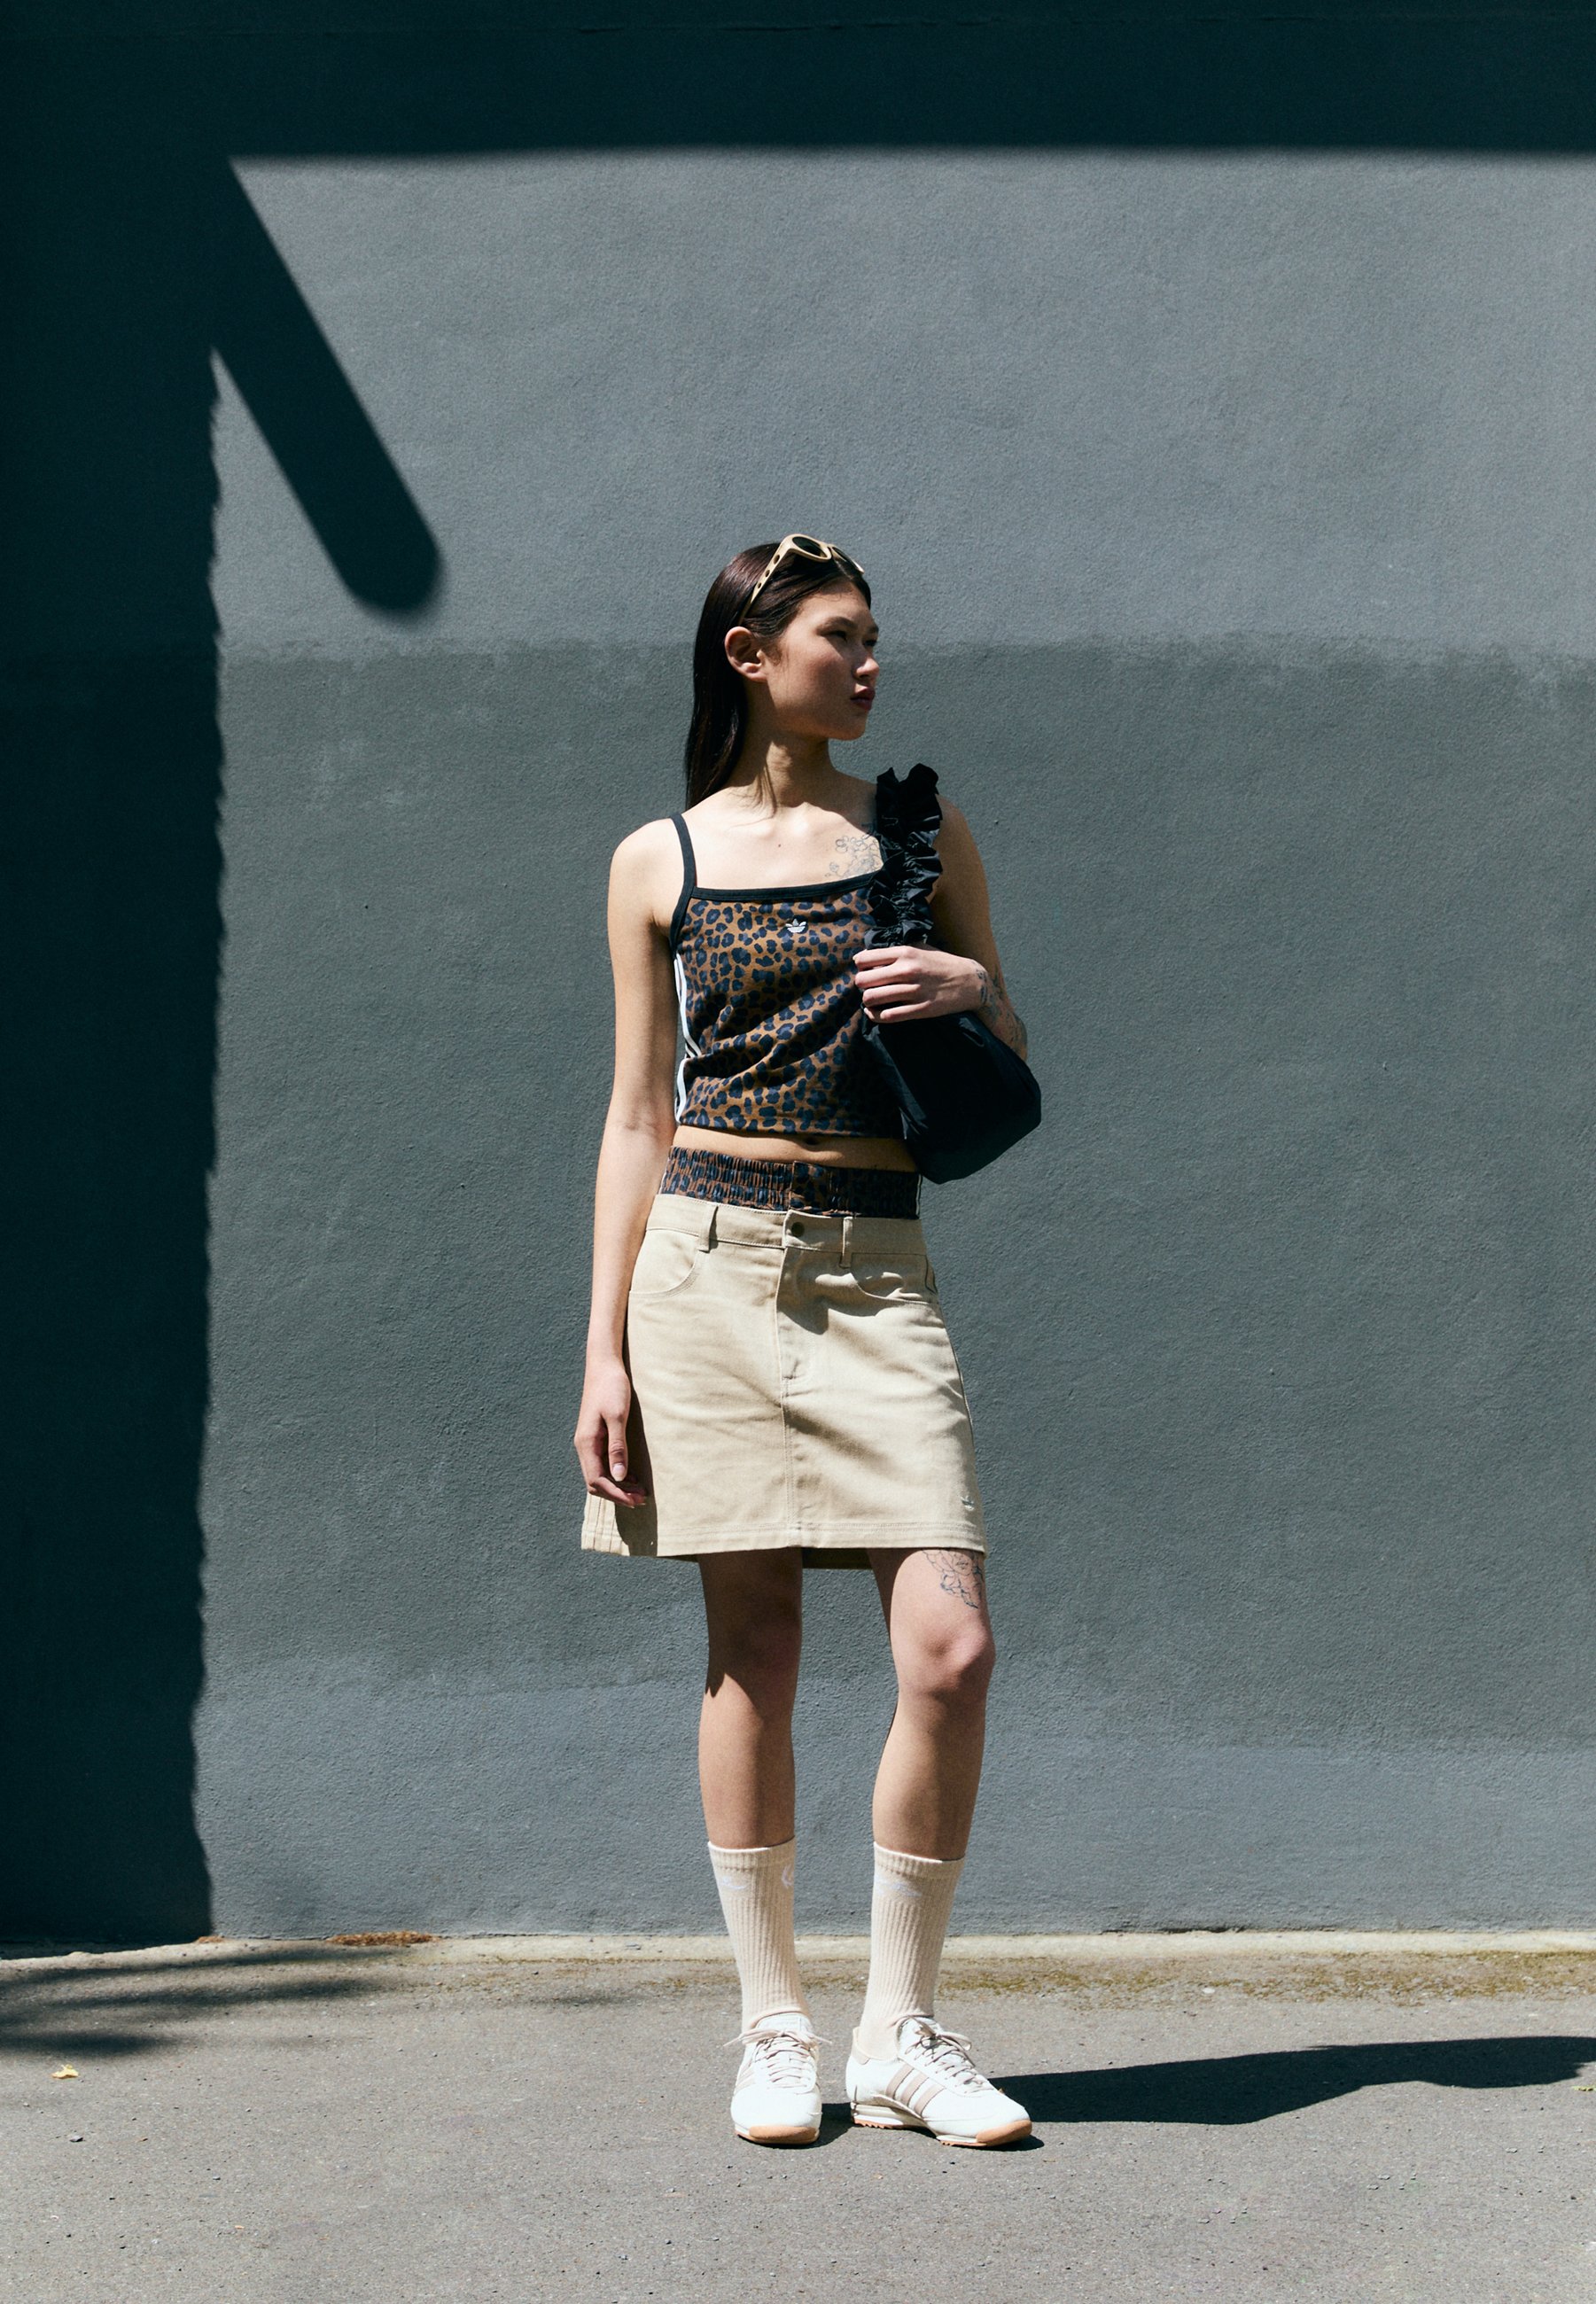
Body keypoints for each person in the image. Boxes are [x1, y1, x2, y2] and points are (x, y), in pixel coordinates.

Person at [574, 533, 1032, 2149]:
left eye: (874, 636)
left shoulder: (915, 830)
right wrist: (602, 1353)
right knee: (752, 1651)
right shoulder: (659, 861)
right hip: (703, 1269)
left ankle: (896, 2033)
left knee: (951, 1650)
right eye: (842, 636)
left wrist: (971, 982)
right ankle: (774, 2023)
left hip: (874, 1268)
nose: (870, 662)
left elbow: (1006, 1040)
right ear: (750, 655)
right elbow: (637, 1115)